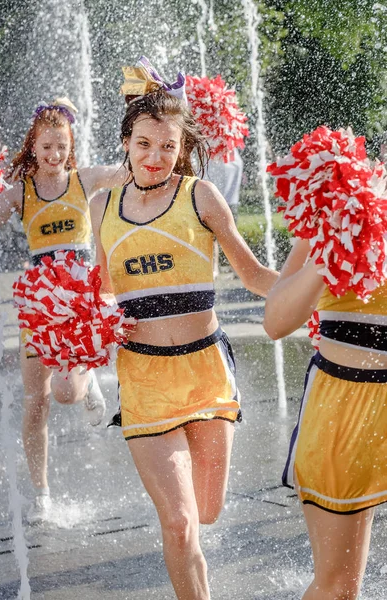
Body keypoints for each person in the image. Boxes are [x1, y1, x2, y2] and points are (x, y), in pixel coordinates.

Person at [90, 60, 278, 600]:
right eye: (143, 144)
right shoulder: (102, 206)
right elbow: (99, 294)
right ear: (126, 141)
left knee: (208, 510)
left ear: (182, 148)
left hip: (206, 373)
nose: (154, 158)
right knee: (179, 522)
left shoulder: (200, 197)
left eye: (167, 147)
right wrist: (70, 339)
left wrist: (320, 285)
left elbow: (257, 275)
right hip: (144, 380)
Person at [0, 98, 127, 524]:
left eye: (61, 147)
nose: (54, 156)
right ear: (33, 147)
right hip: (39, 306)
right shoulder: (21, 193)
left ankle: (87, 382)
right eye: (47, 147)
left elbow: (131, 169)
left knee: (65, 393)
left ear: (70, 146)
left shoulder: (83, 180)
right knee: (36, 401)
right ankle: (42, 492)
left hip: (77, 304)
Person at [264, 239, 387, 599]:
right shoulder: (332, 211)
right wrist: (328, 251)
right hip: (346, 403)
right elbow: (275, 322)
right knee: (338, 588)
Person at [204, 148, 243, 277]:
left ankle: (237, 267)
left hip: (229, 192)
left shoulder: (231, 141)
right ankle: (213, 267)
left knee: (231, 228)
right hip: (209, 186)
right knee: (209, 228)